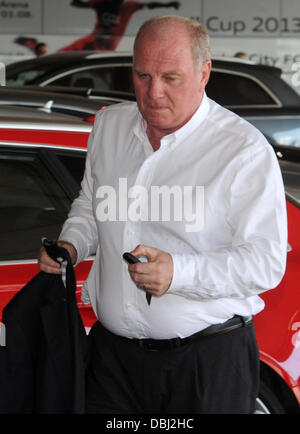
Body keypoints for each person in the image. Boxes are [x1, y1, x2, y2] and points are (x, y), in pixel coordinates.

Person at [38, 16, 287, 414]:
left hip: (205, 363)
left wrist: (179, 273)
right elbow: (91, 202)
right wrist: (73, 243)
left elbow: (266, 263)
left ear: (204, 72)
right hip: (111, 362)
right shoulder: (109, 125)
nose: (153, 92)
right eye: (142, 75)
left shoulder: (243, 150)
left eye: (171, 77)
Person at [58, 0, 180, 51]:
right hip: (94, 39)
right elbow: (77, 4)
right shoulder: (101, 3)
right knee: (65, 53)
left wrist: (168, 5)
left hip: (107, 46)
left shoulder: (128, 7)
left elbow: (150, 5)